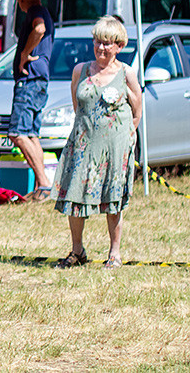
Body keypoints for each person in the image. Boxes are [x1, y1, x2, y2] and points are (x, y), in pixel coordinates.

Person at [52, 16, 142, 269]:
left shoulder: (127, 73)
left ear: (119, 46)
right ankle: (77, 251)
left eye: (108, 43)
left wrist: (126, 137)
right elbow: (77, 103)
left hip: (114, 148)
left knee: (113, 199)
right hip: (82, 145)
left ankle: (114, 253)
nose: (102, 48)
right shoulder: (80, 70)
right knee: (74, 197)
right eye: (98, 42)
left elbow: (137, 110)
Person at [7, 0, 55, 201]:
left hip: (29, 80)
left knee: (18, 133)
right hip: (39, 81)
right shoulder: (43, 10)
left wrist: (25, 53)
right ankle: (42, 187)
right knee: (31, 134)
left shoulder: (36, 11)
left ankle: (44, 183)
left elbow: (39, 29)